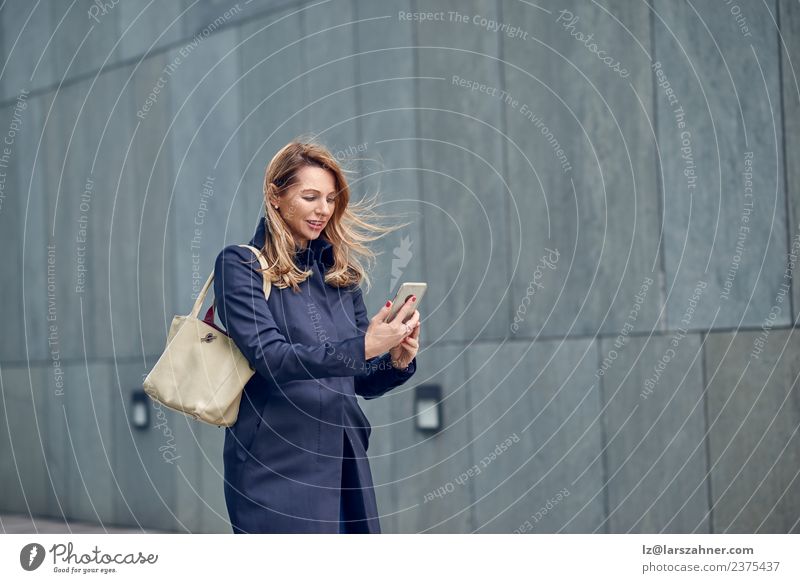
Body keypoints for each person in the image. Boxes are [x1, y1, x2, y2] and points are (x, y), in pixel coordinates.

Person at [213, 139, 421, 533]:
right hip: (276, 466)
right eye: (310, 196)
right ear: (276, 195)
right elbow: (271, 358)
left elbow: (358, 379)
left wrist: (395, 360)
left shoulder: (341, 277)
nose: (323, 209)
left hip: (345, 464)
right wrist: (363, 346)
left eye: (330, 198)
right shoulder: (240, 266)